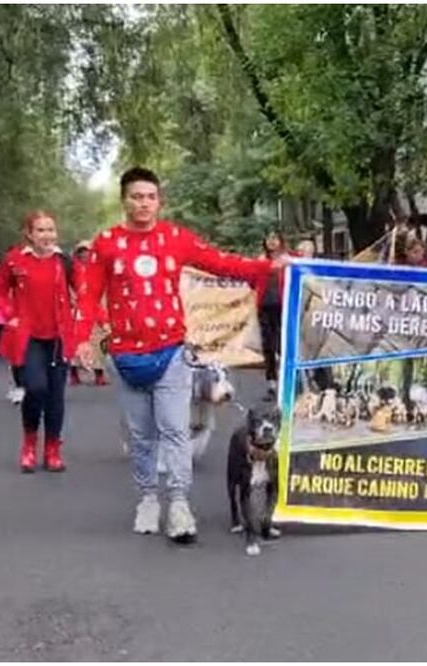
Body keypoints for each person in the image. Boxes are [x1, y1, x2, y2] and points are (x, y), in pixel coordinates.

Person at [74, 166, 282, 543]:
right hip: (125, 356)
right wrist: (82, 339)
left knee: (175, 430)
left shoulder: (174, 238)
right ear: (125, 200)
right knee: (140, 436)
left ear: (159, 201)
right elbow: (88, 295)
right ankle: (148, 498)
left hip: (170, 352)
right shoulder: (106, 244)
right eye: (137, 196)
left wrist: (268, 266)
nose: (143, 203)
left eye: (150, 197)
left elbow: (221, 262)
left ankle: (180, 504)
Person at [0, 212, 78, 473]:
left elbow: (85, 290)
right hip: (29, 337)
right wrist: (11, 315)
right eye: (40, 230)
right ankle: (29, 444)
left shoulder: (63, 261)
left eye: (50, 230)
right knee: (36, 387)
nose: (47, 235)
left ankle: (53, 449)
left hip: (58, 336)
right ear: (29, 234)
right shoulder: (15, 260)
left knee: (56, 396)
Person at [255, 230, 289, 399]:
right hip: (265, 307)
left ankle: (288, 382)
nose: (272, 241)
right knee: (268, 346)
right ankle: (271, 384)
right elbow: (249, 277)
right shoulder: (261, 261)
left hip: (284, 307)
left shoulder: (289, 260)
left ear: (281, 241)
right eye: (269, 238)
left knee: (283, 345)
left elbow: (306, 258)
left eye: (275, 237)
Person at [69, 240, 109, 388]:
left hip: (97, 310)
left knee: (98, 341)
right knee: (75, 343)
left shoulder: (99, 269)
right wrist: (72, 300)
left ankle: (99, 374)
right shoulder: (72, 269)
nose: (85, 254)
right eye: (82, 251)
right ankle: (74, 373)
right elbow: (67, 287)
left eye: (88, 251)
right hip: (78, 311)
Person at [0, 248, 26, 404]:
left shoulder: (55, 261)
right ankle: (19, 386)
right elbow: (0, 292)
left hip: (43, 319)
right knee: (17, 356)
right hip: (16, 318)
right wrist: (8, 312)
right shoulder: (9, 271)